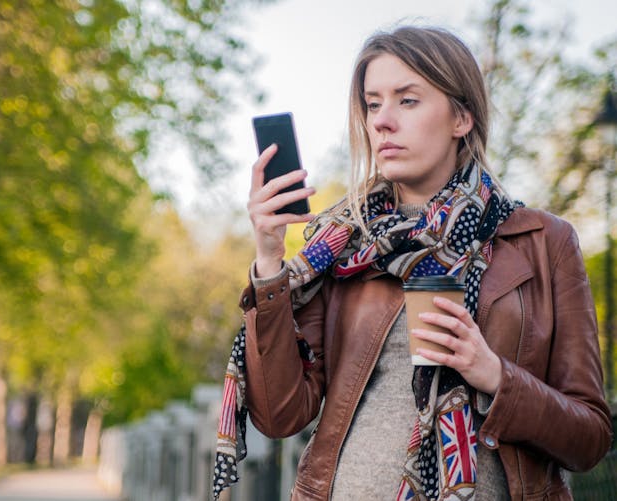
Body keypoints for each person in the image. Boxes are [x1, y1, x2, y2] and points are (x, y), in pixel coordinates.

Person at [212, 25, 613, 501]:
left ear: (461, 117)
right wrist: (269, 260)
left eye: (407, 100)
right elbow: (280, 416)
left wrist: (495, 376)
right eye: (373, 103)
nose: (382, 121)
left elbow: (590, 439)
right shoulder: (340, 246)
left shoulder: (544, 242)